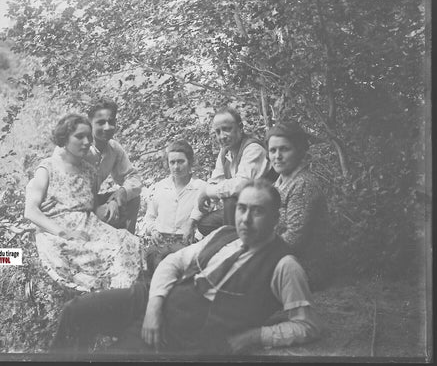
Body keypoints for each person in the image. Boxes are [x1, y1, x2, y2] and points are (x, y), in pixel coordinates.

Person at [51, 178, 321, 355]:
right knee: (76, 312)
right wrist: (154, 308)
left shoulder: (285, 265)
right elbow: (173, 262)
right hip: (152, 300)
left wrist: (254, 336)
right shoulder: (224, 233)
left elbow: (307, 326)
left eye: (257, 211)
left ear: (275, 218)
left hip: (183, 334)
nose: (246, 219)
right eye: (242, 209)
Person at [25, 114, 142, 292]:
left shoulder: (89, 170)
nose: (87, 141)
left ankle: (123, 296)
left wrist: (107, 206)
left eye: (89, 136)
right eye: (79, 137)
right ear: (64, 139)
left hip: (89, 225)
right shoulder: (47, 167)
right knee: (97, 253)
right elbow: (31, 211)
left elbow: (90, 204)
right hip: (58, 230)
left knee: (128, 242)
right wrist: (64, 233)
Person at [266, 121, 332, 290]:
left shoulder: (303, 184)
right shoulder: (278, 184)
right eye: (273, 150)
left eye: (284, 149)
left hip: (303, 266)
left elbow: (294, 239)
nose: (277, 156)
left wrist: (257, 255)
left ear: (299, 151)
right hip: (278, 255)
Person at [190, 107, 272, 237]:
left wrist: (207, 192)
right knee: (204, 224)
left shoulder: (253, 149)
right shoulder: (225, 153)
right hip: (241, 210)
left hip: (263, 209)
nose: (222, 136)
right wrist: (193, 219)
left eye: (227, 129)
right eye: (218, 132)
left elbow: (241, 185)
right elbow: (213, 183)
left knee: (230, 201)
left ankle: (235, 244)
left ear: (240, 127)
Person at [142, 140, 207, 274]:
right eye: (172, 162)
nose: (176, 167)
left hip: (186, 244)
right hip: (160, 243)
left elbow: (205, 216)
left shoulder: (200, 187)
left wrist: (196, 238)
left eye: (181, 161)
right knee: (154, 272)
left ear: (189, 162)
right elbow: (150, 217)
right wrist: (153, 231)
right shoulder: (160, 187)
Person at [87, 100, 143, 234]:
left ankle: (128, 243)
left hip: (93, 200)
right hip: (73, 206)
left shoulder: (114, 148)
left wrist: (120, 194)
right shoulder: (80, 147)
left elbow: (132, 177)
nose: (107, 127)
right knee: (105, 215)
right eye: (100, 123)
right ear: (90, 124)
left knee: (132, 197)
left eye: (111, 122)